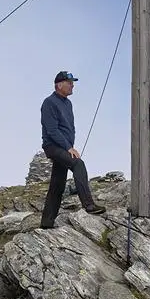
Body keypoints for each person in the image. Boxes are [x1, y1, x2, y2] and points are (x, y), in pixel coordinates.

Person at [38, 70, 107, 228]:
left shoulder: (67, 103)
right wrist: (68, 147)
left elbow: (68, 128)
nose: (72, 86)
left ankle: (46, 223)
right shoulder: (49, 102)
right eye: (69, 83)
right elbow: (52, 130)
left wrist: (69, 145)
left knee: (57, 185)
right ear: (59, 85)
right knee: (78, 164)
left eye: (72, 83)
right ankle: (88, 205)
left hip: (63, 147)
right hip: (53, 146)